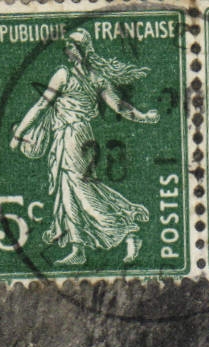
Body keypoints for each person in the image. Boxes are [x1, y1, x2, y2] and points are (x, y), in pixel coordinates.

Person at [10, 29, 160, 265]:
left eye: (70, 46)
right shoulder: (95, 77)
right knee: (68, 191)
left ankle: (128, 233)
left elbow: (41, 105)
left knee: (82, 191)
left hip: (72, 137)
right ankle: (78, 249)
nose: (66, 51)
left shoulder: (65, 75)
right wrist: (143, 117)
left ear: (78, 50)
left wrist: (19, 134)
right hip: (75, 137)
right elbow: (120, 107)